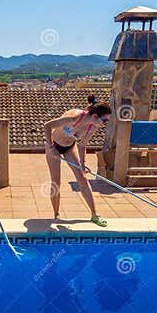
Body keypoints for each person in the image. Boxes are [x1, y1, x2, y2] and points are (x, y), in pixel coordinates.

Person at [44, 95, 112, 226]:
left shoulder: (93, 126)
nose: (104, 124)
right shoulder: (74, 117)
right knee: (56, 181)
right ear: (95, 116)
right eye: (104, 121)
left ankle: (94, 215)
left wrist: (83, 164)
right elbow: (47, 126)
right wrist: (52, 147)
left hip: (70, 147)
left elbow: (82, 145)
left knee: (83, 178)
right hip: (54, 146)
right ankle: (56, 215)